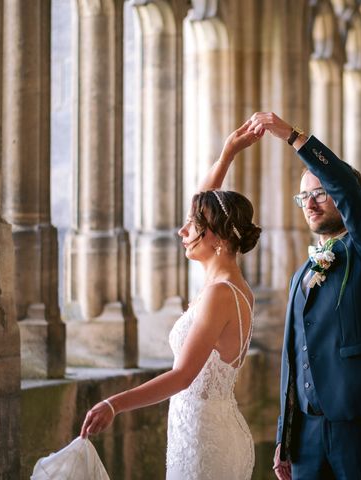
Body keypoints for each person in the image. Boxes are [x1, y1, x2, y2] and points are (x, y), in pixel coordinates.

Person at [80, 120, 263, 480]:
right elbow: (206, 206)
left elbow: (182, 377)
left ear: (217, 239)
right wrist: (226, 154)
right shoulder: (231, 282)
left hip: (204, 444)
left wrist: (113, 404)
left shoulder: (219, 294)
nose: (182, 231)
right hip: (212, 429)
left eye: (191, 227)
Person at [247, 112, 361, 479]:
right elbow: (293, 356)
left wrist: (294, 137)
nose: (310, 203)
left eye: (320, 193)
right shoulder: (301, 274)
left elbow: (350, 194)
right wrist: (284, 438)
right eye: (303, 196)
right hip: (306, 435)